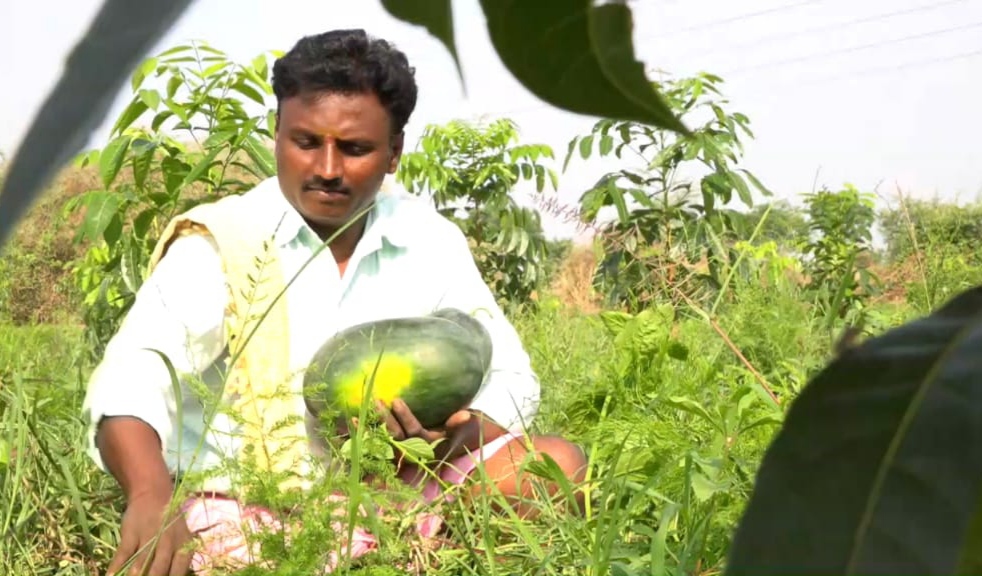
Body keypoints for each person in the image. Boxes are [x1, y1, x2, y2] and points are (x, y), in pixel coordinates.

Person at [82, 28, 587, 575]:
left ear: (393, 153)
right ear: (277, 133)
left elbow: (511, 375)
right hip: (251, 500)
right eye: (305, 142)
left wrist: (445, 439)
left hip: (396, 484)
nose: (326, 168)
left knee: (553, 466)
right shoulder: (223, 242)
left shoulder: (427, 239)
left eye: (354, 149)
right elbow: (132, 375)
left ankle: (412, 546)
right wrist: (150, 494)